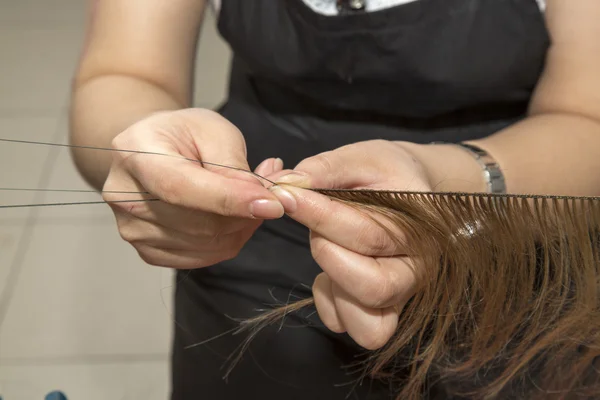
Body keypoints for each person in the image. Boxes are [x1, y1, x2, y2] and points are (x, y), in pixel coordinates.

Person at [68, 0, 600, 398]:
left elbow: (586, 121)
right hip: (243, 249)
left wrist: (451, 182)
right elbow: (123, 72)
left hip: (515, 228)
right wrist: (148, 155)